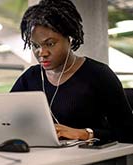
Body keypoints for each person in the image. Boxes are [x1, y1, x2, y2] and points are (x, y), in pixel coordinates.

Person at [11, 0, 133, 145]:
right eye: (35, 45)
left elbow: (127, 132)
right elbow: (4, 119)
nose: (42, 53)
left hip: (90, 163)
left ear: (69, 38)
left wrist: (85, 134)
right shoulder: (30, 77)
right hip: (42, 157)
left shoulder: (99, 75)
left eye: (50, 44)